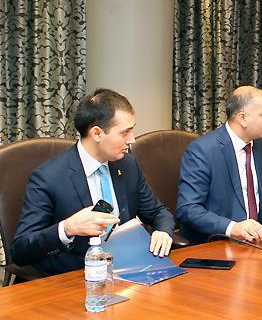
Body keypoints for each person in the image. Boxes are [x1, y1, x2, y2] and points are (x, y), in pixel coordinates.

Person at [11, 89, 175, 275]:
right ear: (97, 133)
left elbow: (158, 212)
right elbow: (20, 249)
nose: (132, 140)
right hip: (76, 276)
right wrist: (68, 228)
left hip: (128, 270)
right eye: (125, 132)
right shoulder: (49, 177)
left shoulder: (128, 165)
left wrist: (163, 231)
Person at [177, 86, 262, 244]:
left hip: (260, 239)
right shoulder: (202, 150)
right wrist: (233, 228)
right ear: (242, 118)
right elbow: (188, 209)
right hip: (219, 243)